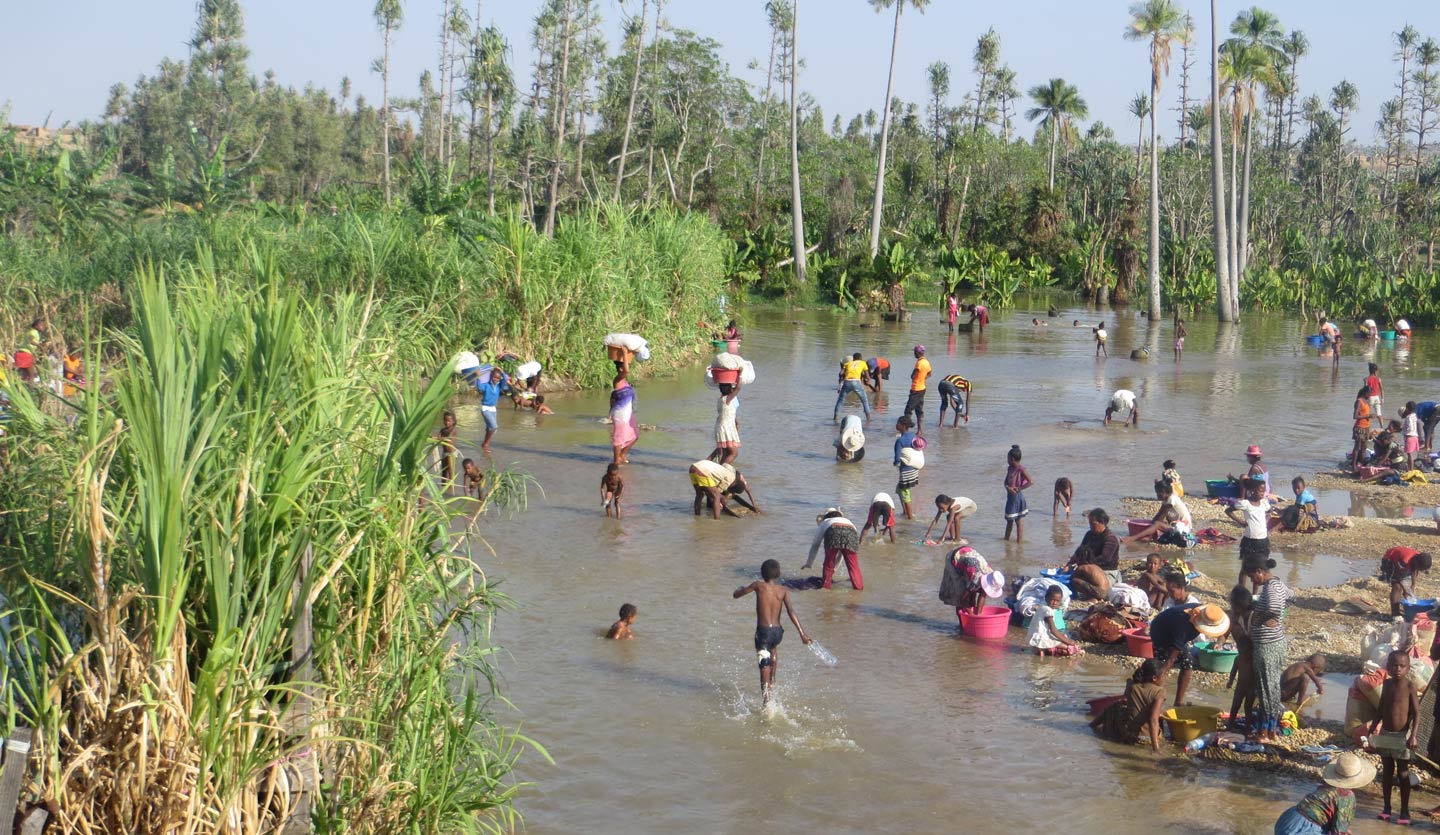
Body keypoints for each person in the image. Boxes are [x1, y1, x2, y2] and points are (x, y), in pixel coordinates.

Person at [733, 559, 812, 706]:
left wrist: (738, 589)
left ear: (762, 574)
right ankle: (773, 680)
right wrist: (802, 633)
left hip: (763, 632)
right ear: (778, 574)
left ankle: (766, 702)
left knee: (764, 664)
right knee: (773, 648)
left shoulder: (758, 585)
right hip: (777, 632)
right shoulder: (783, 590)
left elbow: (737, 594)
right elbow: (791, 612)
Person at [1271, 751, 1373, 835]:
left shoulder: (1325, 787)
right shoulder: (1347, 796)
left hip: (1287, 819)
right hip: (1304, 829)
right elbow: (1338, 832)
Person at [1245, 557, 1290, 741]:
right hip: (1277, 642)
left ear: (1259, 572)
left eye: (1252, 577)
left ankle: (1264, 732)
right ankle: (1272, 730)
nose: (1252, 581)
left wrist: (1259, 619)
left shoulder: (1270, 587)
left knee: (1265, 688)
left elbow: (1272, 608)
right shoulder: (1279, 584)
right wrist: (1278, 619)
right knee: (1272, 686)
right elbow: (1292, 597)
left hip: (1267, 646)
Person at [1152, 603, 1230, 708]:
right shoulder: (1186, 626)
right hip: (1161, 631)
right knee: (1160, 665)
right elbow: (1171, 659)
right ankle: (1153, 699)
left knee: (1187, 662)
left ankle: (1178, 703)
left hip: (1174, 630)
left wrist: (1219, 643)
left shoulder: (1209, 613)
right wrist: (1162, 673)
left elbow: (1223, 633)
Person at [1372, 651, 1418, 824]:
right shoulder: (1387, 684)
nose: (1397, 669)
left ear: (1408, 668)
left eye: (1401, 666)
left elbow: (1417, 714)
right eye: (1393, 665)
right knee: (1387, 772)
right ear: (1388, 667)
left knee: (1403, 774)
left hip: (1402, 736)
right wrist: (1373, 727)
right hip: (1385, 733)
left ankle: (1404, 812)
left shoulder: (1410, 687)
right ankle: (1386, 808)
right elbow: (1381, 708)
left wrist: (1413, 736)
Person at [1091, 659, 1166, 752]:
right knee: (1160, 717)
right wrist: (1156, 749)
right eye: (1163, 675)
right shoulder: (1159, 692)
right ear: (1154, 678)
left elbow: (1128, 700)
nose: (1164, 678)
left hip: (1129, 736)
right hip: (1147, 739)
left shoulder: (1131, 685)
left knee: (1115, 706)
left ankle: (1092, 725)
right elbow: (1153, 720)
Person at [1067, 508, 1120, 600]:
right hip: (1091, 568)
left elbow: (1104, 559)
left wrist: (1086, 564)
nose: (1090, 526)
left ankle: (1094, 596)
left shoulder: (1111, 539)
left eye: (1093, 524)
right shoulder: (1089, 535)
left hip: (1107, 572)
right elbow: (1080, 550)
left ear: (1102, 523)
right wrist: (1069, 563)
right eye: (1090, 523)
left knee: (1076, 580)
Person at [804, 508, 864, 589]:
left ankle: (826, 588)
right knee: (853, 566)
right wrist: (835, 569)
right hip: (851, 532)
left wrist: (809, 563)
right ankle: (859, 589)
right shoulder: (848, 521)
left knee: (828, 564)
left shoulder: (825, 522)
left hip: (833, 530)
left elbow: (815, 545)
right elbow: (841, 555)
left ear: (825, 517)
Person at [1227, 479, 1272, 582]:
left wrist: (1266, 519)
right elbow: (1228, 511)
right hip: (1249, 541)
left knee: (1259, 568)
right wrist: (1240, 522)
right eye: (1260, 490)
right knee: (1245, 568)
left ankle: (1254, 594)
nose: (1262, 493)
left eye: (1264, 491)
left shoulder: (1264, 503)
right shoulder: (1245, 504)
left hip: (1263, 540)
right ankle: (1241, 591)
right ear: (1252, 490)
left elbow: (1269, 511)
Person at [1123, 479, 1193, 545]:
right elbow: (1157, 516)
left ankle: (1133, 538)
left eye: (1159, 493)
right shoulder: (1166, 501)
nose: (1157, 496)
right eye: (1157, 493)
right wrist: (1150, 525)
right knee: (1157, 525)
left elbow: (1159, 519)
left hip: (1183, 530)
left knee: (1158, 524)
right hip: (1176, 528)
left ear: (1166, 492)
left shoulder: (1172, 499)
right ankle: (1147, 538)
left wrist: (1151, 526)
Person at [1228, 585, 1257, 730]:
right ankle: (1231, 722)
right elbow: (1233, 671)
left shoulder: (1254, 616)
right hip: (1240, 686)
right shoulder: (1239, 659)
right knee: (1235, 705)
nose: (1231, 608)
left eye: (1233, 605)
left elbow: (1256, 674)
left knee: (1247, 707)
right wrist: (1230, 681)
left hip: (1250, 687)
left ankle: (1247, 725)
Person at [938, 545, 997, 616]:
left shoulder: (990, 574)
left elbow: (983, 595)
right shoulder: (976, 577)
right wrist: (972, 615)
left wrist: (979, 614)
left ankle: (973, 615)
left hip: (967, 560)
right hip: (953, 558)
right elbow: (962, 600)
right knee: (961, 594)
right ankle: (962, 623)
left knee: (973, 594)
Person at [689, 460, 760, 519]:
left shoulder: (729, 471)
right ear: (733, 487)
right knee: (716, 496)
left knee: (700, 494)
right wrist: (723, 501)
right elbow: (717, 495)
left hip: (693, 468)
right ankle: (717, 521)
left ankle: (697, 516)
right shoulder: (730, 479)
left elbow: (711, 492)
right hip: (702, 471)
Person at [1028, 586, 1082, 656]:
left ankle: (1044, 650)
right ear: (1047, 598)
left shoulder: (1042, 606)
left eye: (1057, 601)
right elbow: (1053, 630)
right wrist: (1068, 642)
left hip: (1035, 636)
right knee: (1068, 647)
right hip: (1041, 638)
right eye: (1053, 600)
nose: (1055, 603)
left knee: (1062, 638)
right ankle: (1046, 649)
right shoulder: (1047, 611)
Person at [1381, 546, 1433, 617]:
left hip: (1402, 563)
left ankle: (1401, 610)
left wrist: (1412, 585)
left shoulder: (1417, 558)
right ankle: (1395, 614)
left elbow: (1415, 570)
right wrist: (1406, 590)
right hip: (1390, 560)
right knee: (1397, 587)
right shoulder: (1404, 560)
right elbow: (1399, 577)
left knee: (1405, 587)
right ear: (1417, 562)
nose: (1420, 569)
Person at [475, 368, 512, 452]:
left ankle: (484, 445)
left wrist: (501, 370)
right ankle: (486, 444)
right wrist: (478, 376)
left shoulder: (499, 386)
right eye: (494, 377)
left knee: (490, 429)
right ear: (491, 376)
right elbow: (480, 387)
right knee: (494, 427)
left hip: (493, 409)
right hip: (485, 408)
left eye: (498, 378)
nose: (496, 379)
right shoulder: (486, 385)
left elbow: (505, 378)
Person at [1003, 444, 1033, 542]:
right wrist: (1007, 487)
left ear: (1012, 459)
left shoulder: (1021, 469)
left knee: (1018, 521)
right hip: (1010, 497)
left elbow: (1031, 481)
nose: (1006, 460)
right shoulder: (1009, 468)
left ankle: (1019, 542)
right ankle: (1006, 540)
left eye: (1007, 458)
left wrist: (1019, 488)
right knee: (1009, 521)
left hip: (1017, 497)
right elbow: (1005, 481)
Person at [893, 417, 922, 519]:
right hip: (914, 470)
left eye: (898, 423)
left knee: (905, 493)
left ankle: (910, 517)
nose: (896, 425)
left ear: (903, 426)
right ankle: (905, 512)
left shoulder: (900, 440)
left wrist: (895, 463)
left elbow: (897, 459)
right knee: (899, 489)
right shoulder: (913, 436)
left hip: (906, 471)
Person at [609, 372, 639, 465]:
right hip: (620, 414)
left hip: (628, 414)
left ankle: (622, 454)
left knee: (635, 436)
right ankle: (616, 460)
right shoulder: (617, 381)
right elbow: (612, 400)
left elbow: (612, 400)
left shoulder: (625, 383)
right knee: (619, 438)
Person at [833, 352, 872, 421]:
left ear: (853, 359)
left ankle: (835, 417)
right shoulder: (863, 363)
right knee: (864, 400)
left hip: (847, 381)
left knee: (840, 400)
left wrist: (841, 380)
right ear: (861, 358)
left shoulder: (848, 363)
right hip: (856, 381)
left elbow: (840, 373)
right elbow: (867, 374)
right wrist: (868, 380)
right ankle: (868, 419)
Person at [713, 381, 742, 465]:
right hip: (726, 427)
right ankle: (719, 470)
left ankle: (718, 469)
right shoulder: (728, 399)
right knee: (734, 453)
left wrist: (735, 422)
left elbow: (728, 412)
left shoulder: (721, 399)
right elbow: (738, 388)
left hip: (722, 426)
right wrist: (740, 374)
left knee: (726, 453)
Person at [903, 346, 931, 431]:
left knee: (908, 410)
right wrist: (922, 379)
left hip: (916, 389)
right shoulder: (927, 362)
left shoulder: (919, 363)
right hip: (922, 388)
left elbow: (913, 375)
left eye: (915, 352)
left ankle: (905, 430)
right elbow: (929, 374)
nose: (914, 354)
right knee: (919, 410)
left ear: (918, 353)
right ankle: (920, 430)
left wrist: (916, 377)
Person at [1351, 385, 1374, 469]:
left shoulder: (1365, 401)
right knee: (1357, 447)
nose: (1370, 396)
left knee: (1364, 447)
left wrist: (1369, 416)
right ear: (1366, 393)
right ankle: (1353, 465)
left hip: (1366, 427)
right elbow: (1355, 416)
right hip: (1360, 427)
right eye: (1370, 394)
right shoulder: (1359, 401)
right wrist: (1368, 416)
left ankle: (1362, 464)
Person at [435, 410, 458, 483]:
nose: (446, 422)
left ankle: (451, 488)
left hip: (451, 453)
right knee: (444, 471)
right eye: (445, 420)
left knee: (450, 471)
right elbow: (438, 437)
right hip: (444, 453)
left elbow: (448, 438)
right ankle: (443, 487)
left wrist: (437, 438)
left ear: (453, 421)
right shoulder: (442, 430)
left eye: (449, 421)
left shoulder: (453, 430)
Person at [1402, 401, 1422, 470]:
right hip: (1415, 436)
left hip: (1410, 437)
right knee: (1411, 454)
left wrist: (1406, 431)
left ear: (1407, 409)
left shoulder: (1408, 417)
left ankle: (1411, 469)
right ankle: (1409, 467)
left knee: (1409, 454)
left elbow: (1410, 427)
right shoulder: (1415, 416)